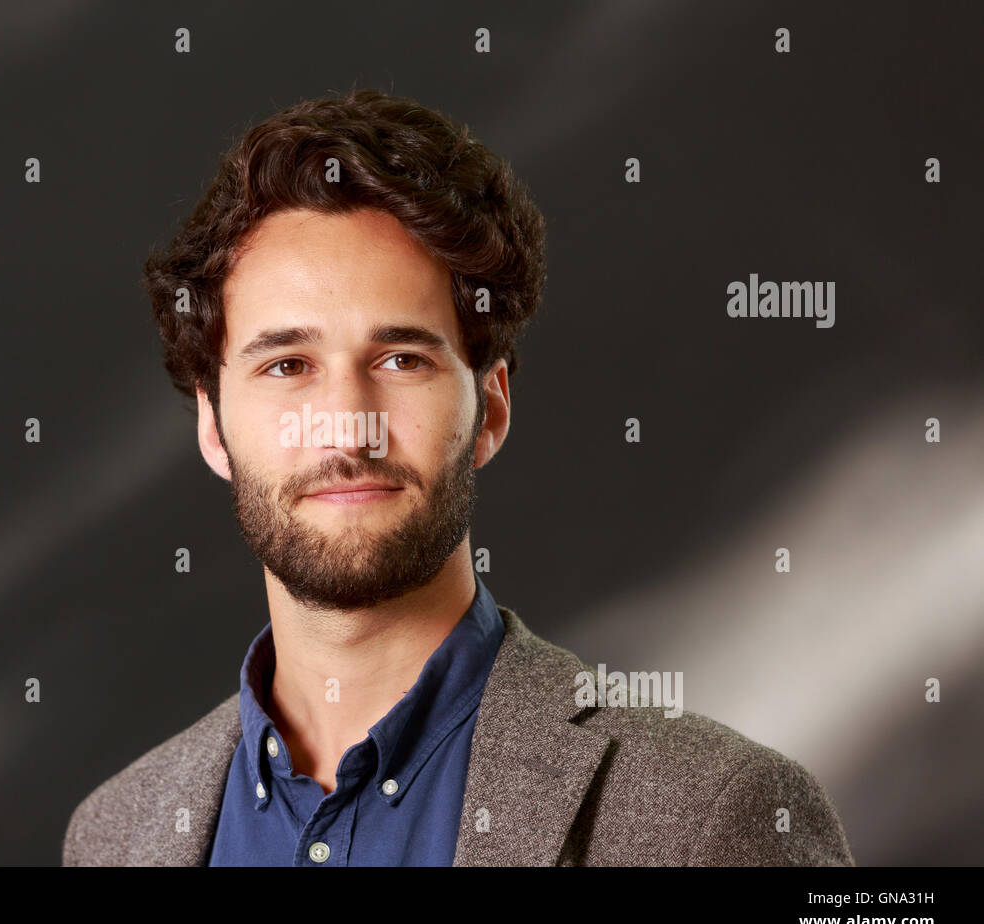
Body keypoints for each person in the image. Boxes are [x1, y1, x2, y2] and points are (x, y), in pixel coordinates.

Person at [62, 89, 854, 866]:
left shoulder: (714, 816)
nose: (347, 425)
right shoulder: (113, 836)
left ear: (491, 410)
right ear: (212, 424)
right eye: (288, 365)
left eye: (401, 359)